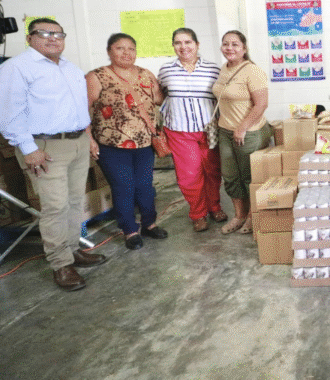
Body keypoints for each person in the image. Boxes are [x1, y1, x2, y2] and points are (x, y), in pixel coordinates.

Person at [0, 18, 106, 291]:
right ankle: (61, 264)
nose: (53, 38)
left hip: (77, 142)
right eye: (44, 33)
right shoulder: (16, 68)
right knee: (55, 207)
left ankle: (73, 250)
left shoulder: (70, 69)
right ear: (29, 38)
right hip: (45, 147)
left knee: (72, 202)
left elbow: (80, 108)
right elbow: (10, 113)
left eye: (58, 34)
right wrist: (28, 149)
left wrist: (88, 138)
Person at [86, 33, 168, 250]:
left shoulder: (145, 74)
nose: (126, 53)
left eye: (131, 48)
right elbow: (83, 109)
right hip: (112, 145)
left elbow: (159, 99)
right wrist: (89, 139)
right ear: (109, 51)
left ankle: (150, 223)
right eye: (120, 48)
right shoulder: (97, 76)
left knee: (145, 187)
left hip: (144, 143)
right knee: (124, 187)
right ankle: (130, 230)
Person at [158, 28, 225, 232]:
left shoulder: (214, 69)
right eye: (178, 43)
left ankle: (214, 206)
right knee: (190, 175)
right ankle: (198, 214)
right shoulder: (166, 70)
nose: (183, 47)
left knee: (213, 171)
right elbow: (161, 96)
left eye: (188, 42)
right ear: (173, 46)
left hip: (209, 130)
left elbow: (220, 98)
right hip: (180, 131)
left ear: (197, 44)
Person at [212, 30, 271, 235]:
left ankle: (252, 217)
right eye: (226, 44)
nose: (230, 48)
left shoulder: (252, 71)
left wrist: (242, 127)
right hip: (225, 131)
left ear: (244, 49)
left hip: (249, 132)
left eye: (235, 44)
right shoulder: (224, 69)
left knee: (249, 177)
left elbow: (261, 104)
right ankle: (239, 215)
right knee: (230, 177)